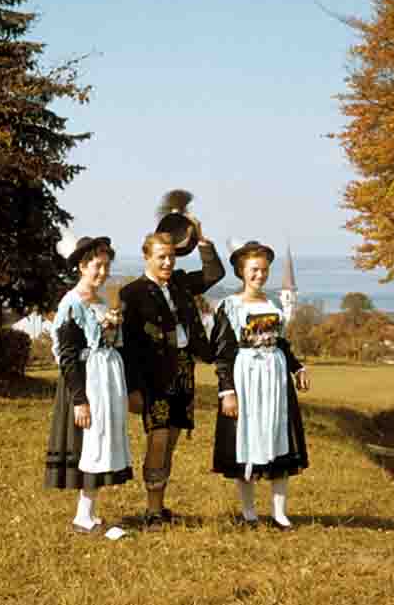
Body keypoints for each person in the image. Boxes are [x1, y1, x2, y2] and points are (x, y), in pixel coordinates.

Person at [120, 223, 225, 528]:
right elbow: (129, 346)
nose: (167, 263)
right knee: (158, 439)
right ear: (146, 257)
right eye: (161, 257)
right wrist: (133, 389)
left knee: (172, 440)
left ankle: (160, 506)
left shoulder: (179, 283)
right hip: (153, 375)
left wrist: (203, 242)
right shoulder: (133, 292)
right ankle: (152, 511)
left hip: (183, 369)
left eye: (171, 257)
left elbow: (214, 274)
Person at [211, 241, 309, 530]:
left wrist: (297, 366)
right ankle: (249, 510)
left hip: (275, 378)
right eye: (254, 269)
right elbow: (223, 352)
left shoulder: (274, 305)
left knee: (278, 434)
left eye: (264, 269)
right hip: (246, 378)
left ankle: (279, 511)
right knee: (247, 437)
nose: (260, 275)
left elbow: (282, 343)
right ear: (242, 271)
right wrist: (227, 391)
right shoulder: (230, 306)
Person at [44, 237, 133, 533]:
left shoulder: (102, 301)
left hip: (106, 381)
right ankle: (82, 515)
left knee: (101, 441)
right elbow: (68, 355)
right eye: (97, 266)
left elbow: (110, 342)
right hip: (85, 382)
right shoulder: (71, 304)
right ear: (82, 266)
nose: (103, 272)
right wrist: (79, 399)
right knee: (88, 445)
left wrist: (112, 327)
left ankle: (90, 512)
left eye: (107, 266)